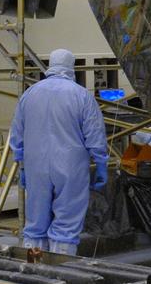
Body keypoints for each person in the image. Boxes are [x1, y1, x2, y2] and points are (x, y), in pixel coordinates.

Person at [9, 49, 108, 255]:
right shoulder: (81, 95)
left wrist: (21, 164)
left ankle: (31, 272)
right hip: (70, 167)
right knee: (66, 224)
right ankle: (61, 270)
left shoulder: (29, 94)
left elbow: (17, 134)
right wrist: (101, 164)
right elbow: (95, 134)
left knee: (35, 224)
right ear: (71, 66)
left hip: (36, 166)